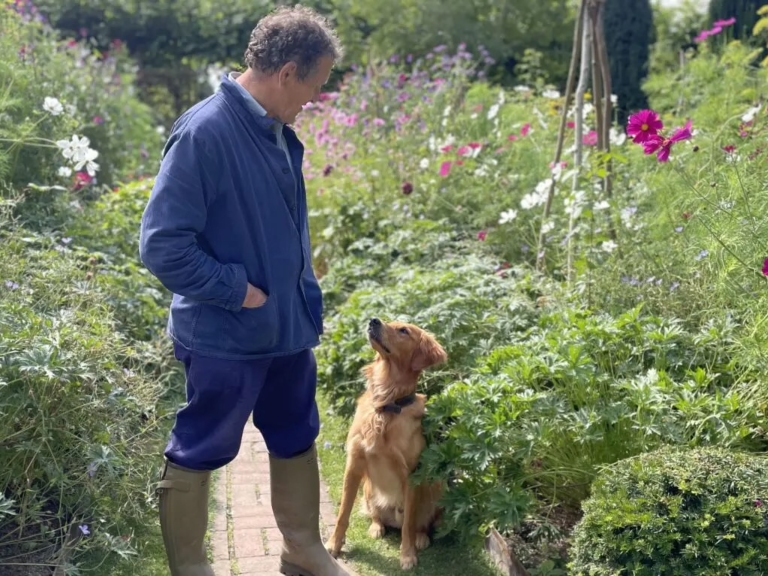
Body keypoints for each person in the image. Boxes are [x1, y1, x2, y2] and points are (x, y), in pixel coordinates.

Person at [138, 5, 357, 576]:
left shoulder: (276, 130)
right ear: (287, 72)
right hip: (224, 332)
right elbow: (162, 245)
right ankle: (191, 569)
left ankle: (302, 551)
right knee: (201, 446)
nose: (316, 97)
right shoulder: (204, 133)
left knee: (295, 434)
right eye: (315, 84)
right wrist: (238, 291)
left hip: (286, 328)